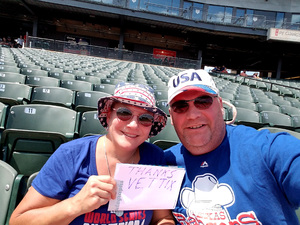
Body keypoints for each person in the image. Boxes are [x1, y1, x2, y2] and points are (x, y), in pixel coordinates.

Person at [9, 82, 175, 225]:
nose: (133, 125)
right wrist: (75, 205)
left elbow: (162, 218)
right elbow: (18, 220)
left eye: (145, 118)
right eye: (124, 113)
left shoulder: (155, 157)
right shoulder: (71, 154)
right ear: (108, 115)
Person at [164, 69, 300, 224]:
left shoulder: (265, 149)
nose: (193, 114)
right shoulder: (164, 165)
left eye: (203, 101)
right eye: (180, 106)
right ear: (171, 117)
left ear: (220, 106)